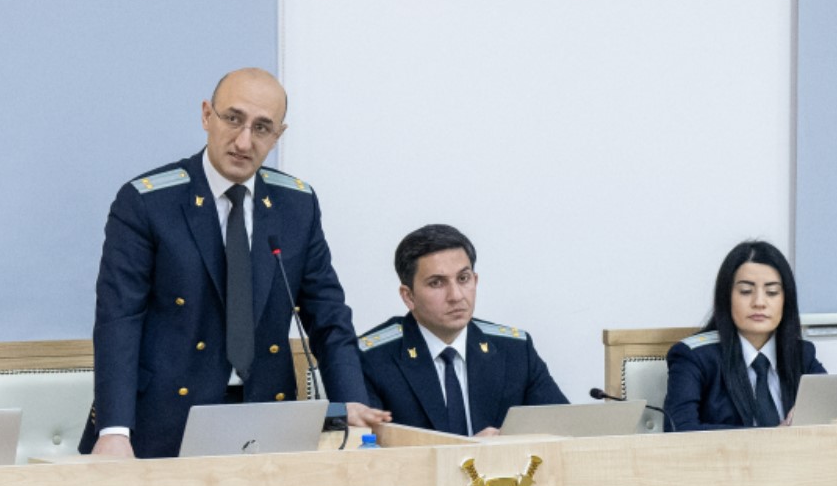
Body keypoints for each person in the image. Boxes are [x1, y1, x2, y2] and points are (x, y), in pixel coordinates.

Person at [81, 67, 388, 459]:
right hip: (163, 420)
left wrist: (351, 402)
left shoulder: (296, 205)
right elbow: (119, 320)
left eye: (262, 128)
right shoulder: (147, 202)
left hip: (267, 419)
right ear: (206, 115)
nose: (244, 141)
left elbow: (328, 316)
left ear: (278, 135)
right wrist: (114, 429)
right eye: (233, 119)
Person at [357, 224, 567, 436]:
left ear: (475, 280)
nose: (456, 296)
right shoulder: (371, 359)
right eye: (437, 283)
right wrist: (472, 450)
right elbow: (369, 449)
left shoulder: (515, 351)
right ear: (408, 296)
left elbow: (564, 433)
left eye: (463, 279)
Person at [664, 240, 825, 431]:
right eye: (746, 291)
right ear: (726, 297)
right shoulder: (694, 357)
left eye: (772, 292)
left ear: (786, 300)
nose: (759, 302)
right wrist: (771, 436)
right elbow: (679, 429)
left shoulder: (802, 354)